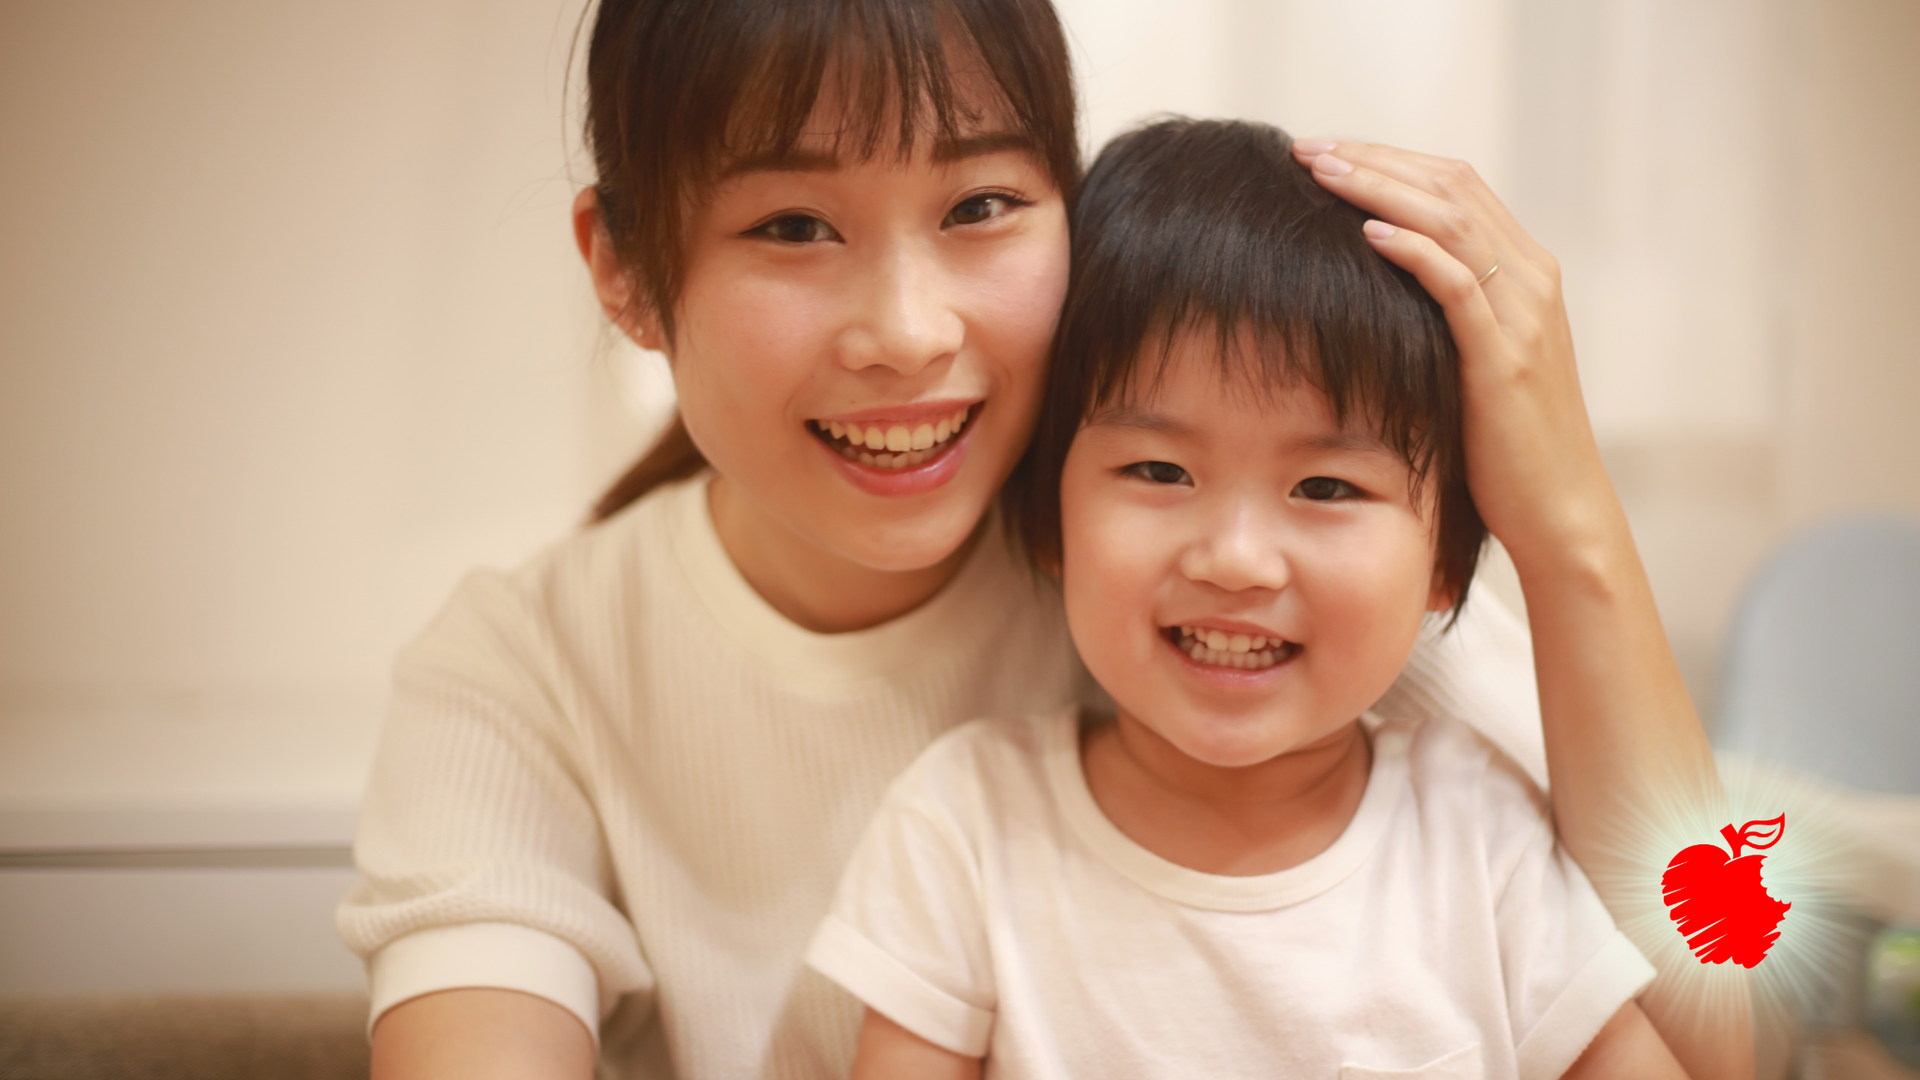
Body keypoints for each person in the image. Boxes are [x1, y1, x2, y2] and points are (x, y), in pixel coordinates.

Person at [339, 1, 1741, 1078]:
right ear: (626, 270)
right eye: (794, 225)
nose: (908, 332)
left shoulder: (1264, 584)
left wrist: (1570, 528)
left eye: (981, 206)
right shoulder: (525, 672)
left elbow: (1729, 1019)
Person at [807, 117, 1686, 1079]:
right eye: (1159, 470)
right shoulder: (968, 828)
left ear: (1446, 560)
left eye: (1326, 487)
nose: (1236, 561)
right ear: (1049, 518)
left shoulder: (1480, 834)